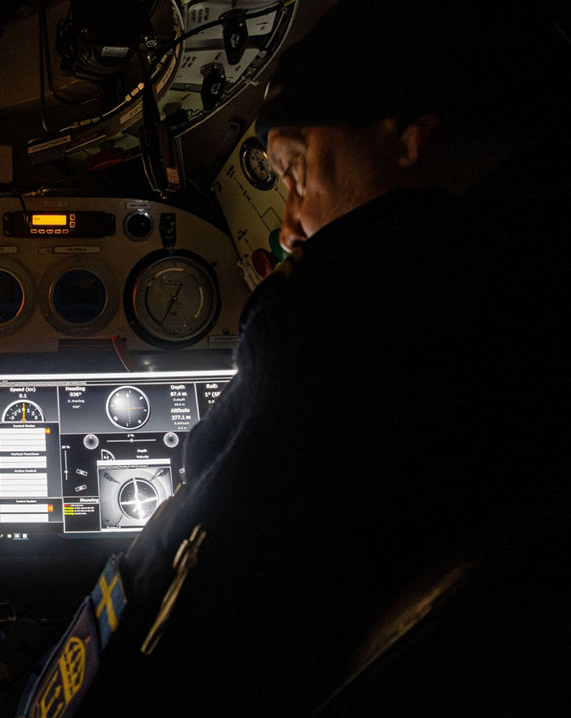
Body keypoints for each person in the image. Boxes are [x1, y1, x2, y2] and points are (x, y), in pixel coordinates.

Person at [77, 1, 570, 714]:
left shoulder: (355, 317)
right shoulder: (533, 285)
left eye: (295, 170)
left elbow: (184, 633)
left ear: (406, 137)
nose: (288, 227)